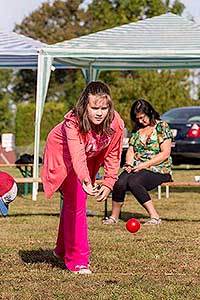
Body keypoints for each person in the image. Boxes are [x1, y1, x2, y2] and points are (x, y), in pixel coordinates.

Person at [41, 81, 124, 274]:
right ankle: (77, 260)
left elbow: (114, 154)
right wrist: (85, 180)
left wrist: (109, 182)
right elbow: (77, 154)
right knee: (77, 199)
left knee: (73, 201)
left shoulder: (115, 123)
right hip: (64, 152)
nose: (99, 113)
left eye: (104, 108)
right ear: (84, 106)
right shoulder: (73, 123)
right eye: (94, 108)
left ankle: (62, 249)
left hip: (88, 155)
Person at [103, 99, 172, 225]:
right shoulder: (137, 130)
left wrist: (143, 165)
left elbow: (165, 153)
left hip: (158, 168)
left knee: (134, 181)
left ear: (150, 112)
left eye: (142, 117)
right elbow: (131, 150)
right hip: (137, 166)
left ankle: (155, 217)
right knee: (119, 182)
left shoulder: (162, 127)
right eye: (138, 118)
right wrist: (129, 163)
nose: (140, 121)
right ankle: (114, 216)